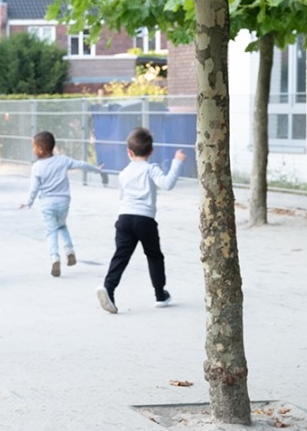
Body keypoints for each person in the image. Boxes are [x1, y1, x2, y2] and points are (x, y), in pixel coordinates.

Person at [97, 128, 187, 314]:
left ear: (129, 152)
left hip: (124, 218)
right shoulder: (151, 169)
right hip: (145, 220)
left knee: (121, 256)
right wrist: (177, 162)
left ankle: (109, 288)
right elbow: (167, 184)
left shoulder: (123, 173)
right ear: (151, 151)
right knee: (154, 256)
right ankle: (160, 295)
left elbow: (122, 197)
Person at [20, 130, 105, 277]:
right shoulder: (62, 160)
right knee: (62, 226)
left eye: (34, 147)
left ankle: (55, 257)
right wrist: (96, 169)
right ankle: (69, 250)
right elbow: (81, 164)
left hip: (47, 204)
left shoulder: (37, 167)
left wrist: (28, 202)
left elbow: (34, 188)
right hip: (63, 202)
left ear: (41, 149)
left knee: (51, 231)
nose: (33, 150)